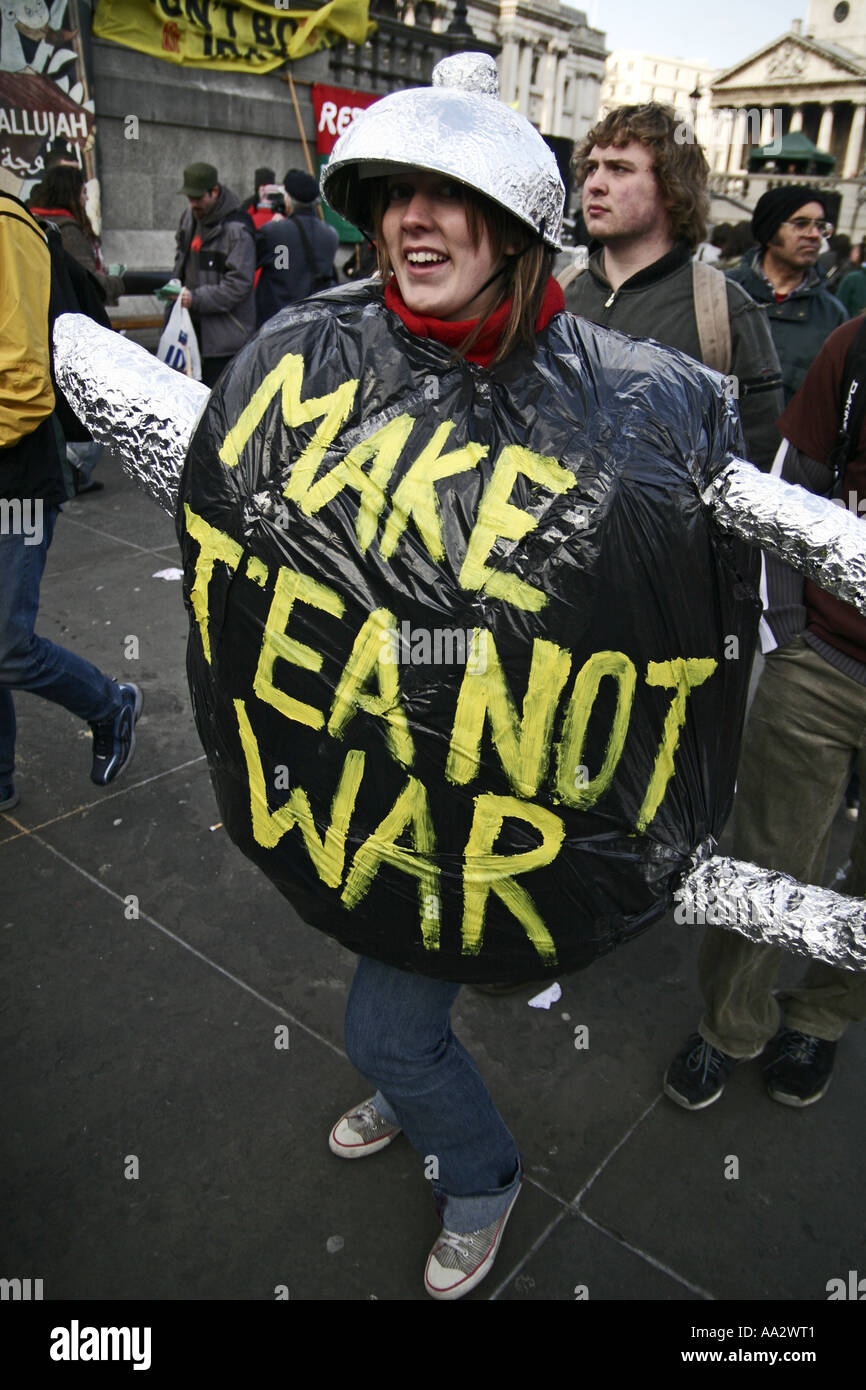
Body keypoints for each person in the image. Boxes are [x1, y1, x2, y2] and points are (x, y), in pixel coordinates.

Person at [664, 315, 866, 1113]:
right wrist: (786, 635)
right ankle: (729, 1027)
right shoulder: (853, 347)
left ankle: (820, 1018)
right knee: (769, 857)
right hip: (821, 662)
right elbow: (786, 492)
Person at [0, 191, 141, 812]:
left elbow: (27, 385)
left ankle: (110, 703)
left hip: (18, 479)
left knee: (7, 645)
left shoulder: (9, 228)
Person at [563, 105, 784, 472]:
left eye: (619, 168)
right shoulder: (561, 292)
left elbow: (756, 463)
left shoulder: (723, 312)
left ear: (671, 187)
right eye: (591, 168)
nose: (594, 184)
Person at [28, 163, 126, 493]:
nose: (86, 197)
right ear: (71, 192)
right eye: (83, 191)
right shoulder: (65, 231)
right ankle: (75, 465)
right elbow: (87, 284)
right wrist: (115, 283)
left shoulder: (31, 224)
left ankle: (70, 463)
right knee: (86, 406)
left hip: (41, 329)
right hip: (73, 331)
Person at [726, 187, 847, 402]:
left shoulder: (831, 314)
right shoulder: (722, 290)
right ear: (770, 232)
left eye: (820, 226)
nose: (813, 235)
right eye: (801, 224)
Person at [173, 162, 256, 389]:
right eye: (189, 198)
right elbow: (180, 258)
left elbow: (238, 285)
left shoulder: (237, 230)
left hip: (225, 341)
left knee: (218, 404)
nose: (193, 204)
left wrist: (196, 298)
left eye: (198, 198)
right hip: (190, 332)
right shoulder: (188, 218)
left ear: (215, 192)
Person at [254, 169, 339, 326]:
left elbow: (253, 264)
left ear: (288, 199)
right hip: (313, 325)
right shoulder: (331, 235)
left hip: (276, 325)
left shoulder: (273, 232)